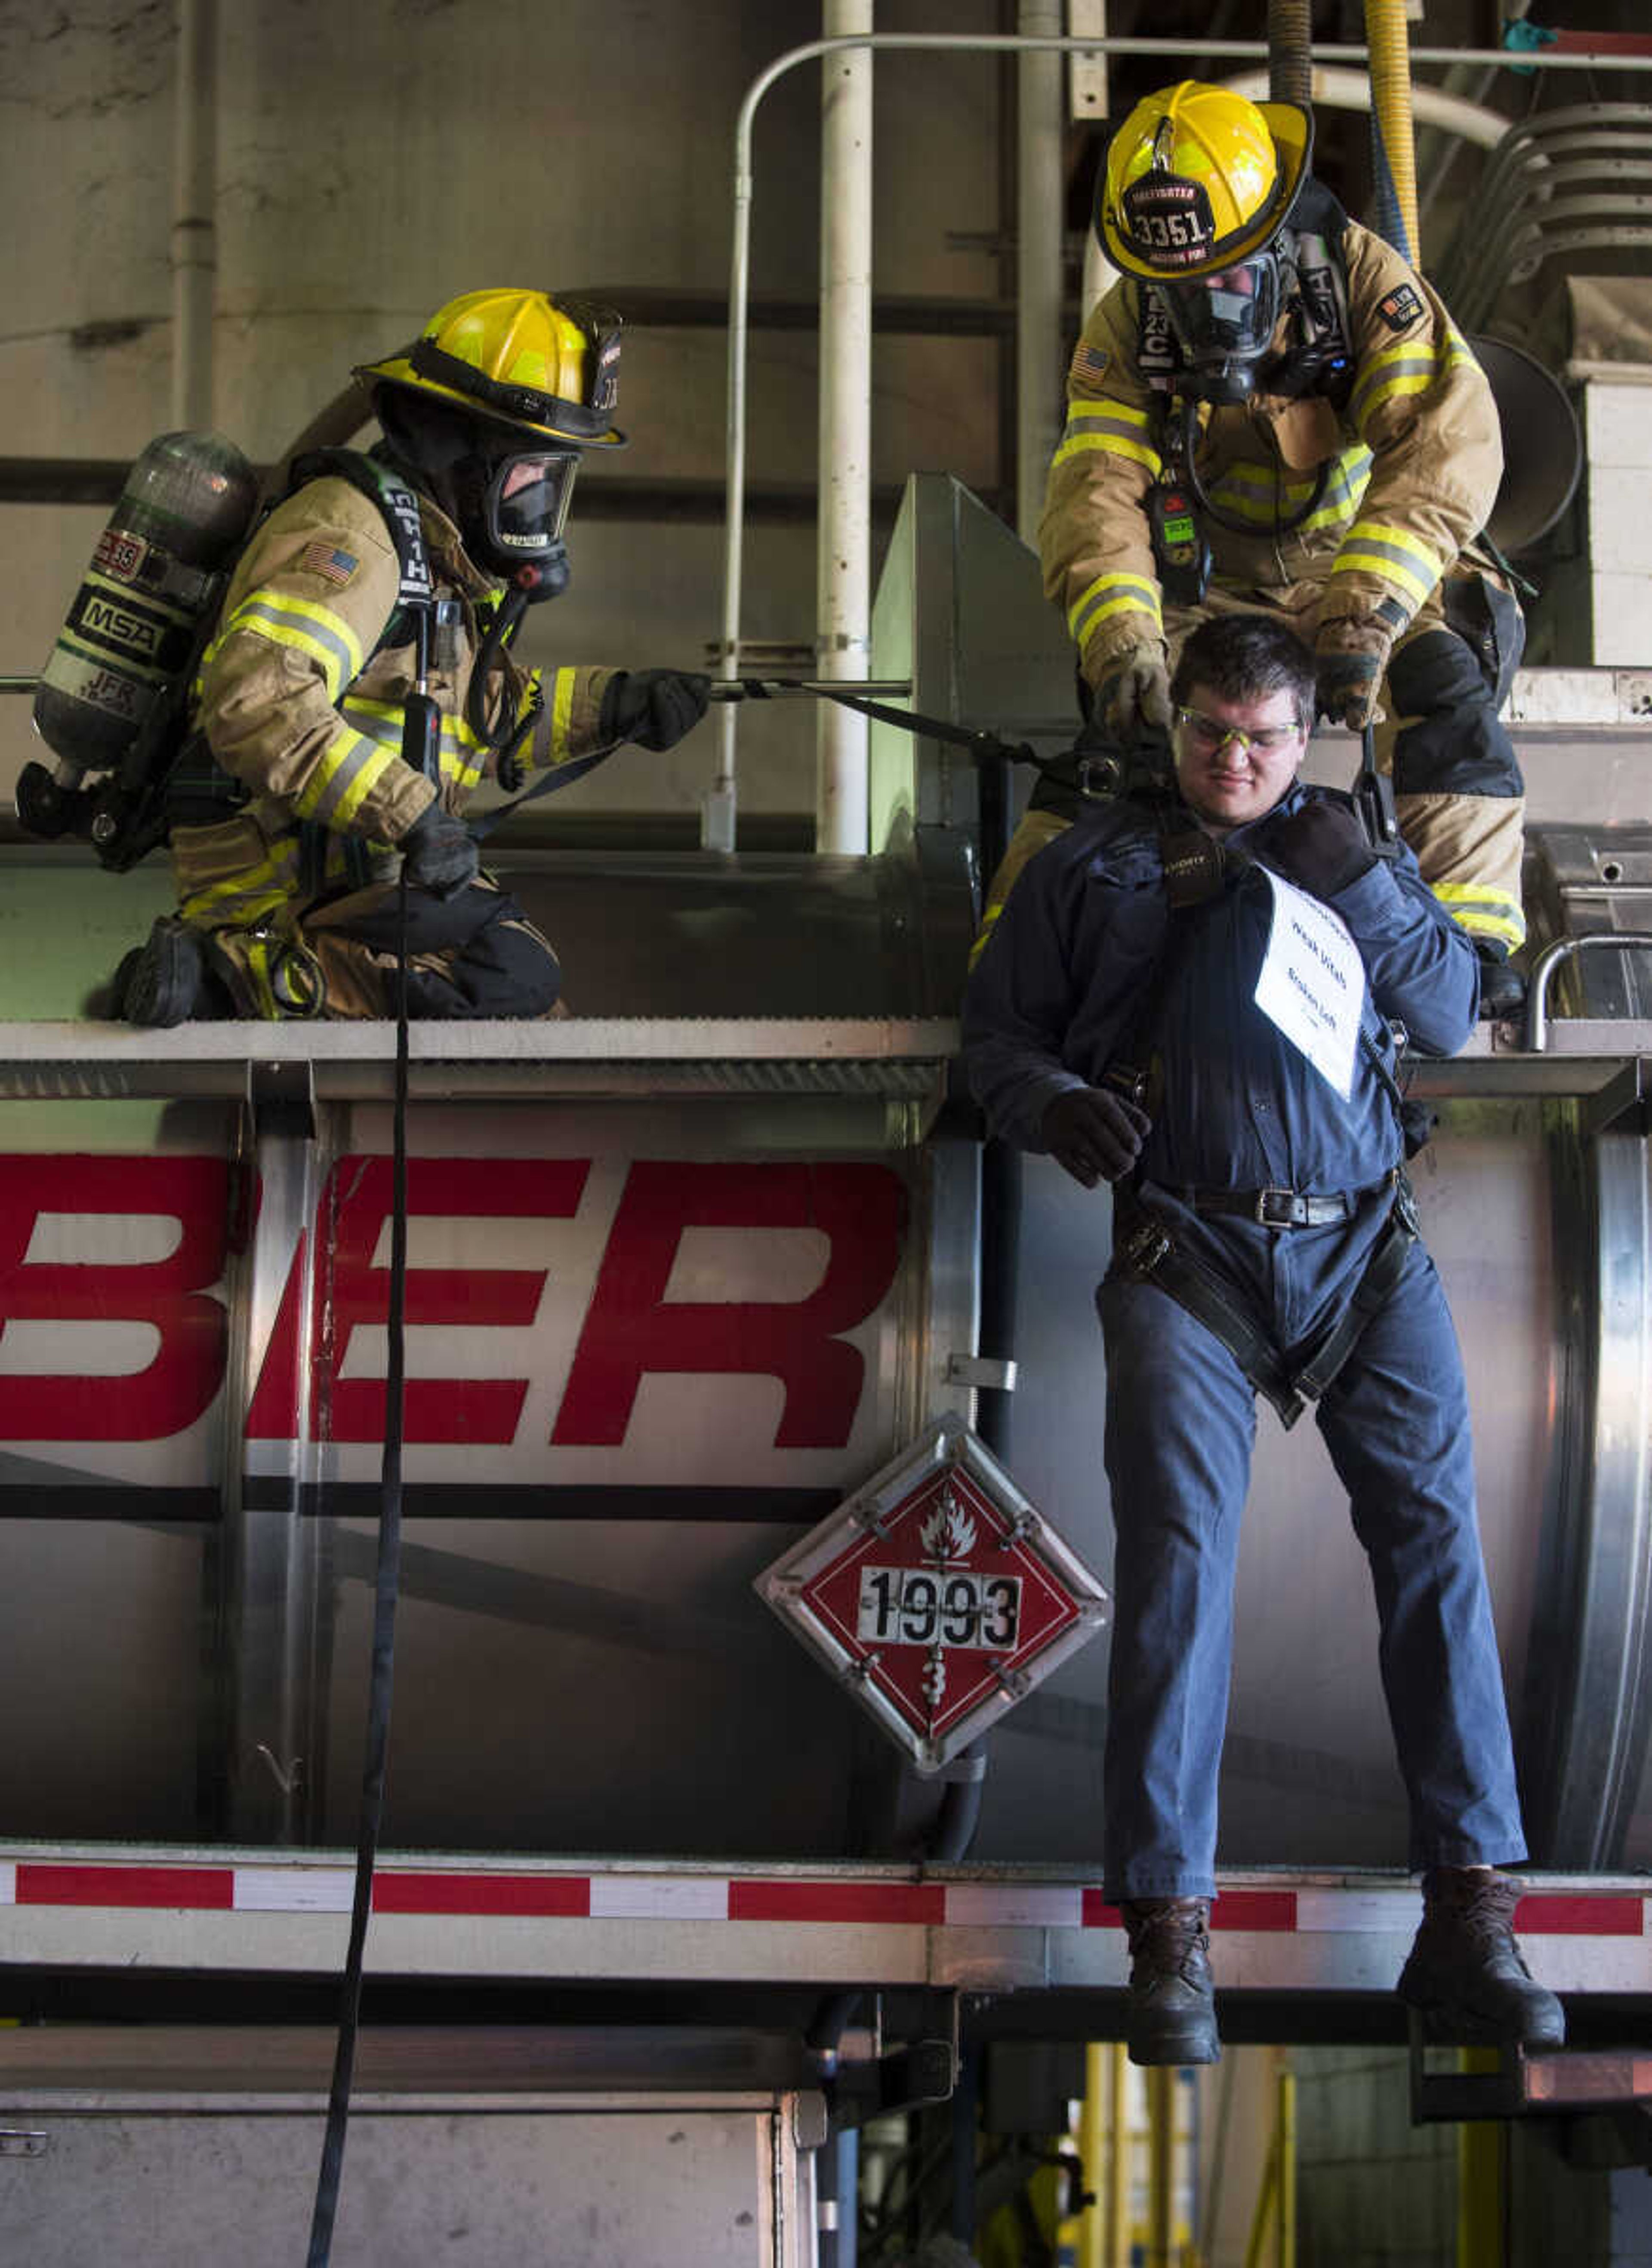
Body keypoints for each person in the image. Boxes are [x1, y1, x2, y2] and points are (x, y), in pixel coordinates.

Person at [962, 612, 1563, 2067]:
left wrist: (1365, 880)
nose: (1234, 760)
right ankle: (1169, 1938)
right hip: (1190, 1257)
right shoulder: (1092, 866)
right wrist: (1049, 1103)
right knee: (1179, 1573)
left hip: (1368, 1252)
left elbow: (1448, 1018)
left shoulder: (1357, 850)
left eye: (1264, 738)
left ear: (1310, 739)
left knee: (1438, 1558)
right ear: (1177, 729)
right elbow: (988, 1045)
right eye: (1210, 733)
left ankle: (1471, 1915)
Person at [983, 80, 1527, 1019]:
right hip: (1211, 589)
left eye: (1228, 279)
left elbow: (1445, 451)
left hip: (1364, 569)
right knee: (1123, 751)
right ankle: (1013, 965)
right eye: (1180, 291)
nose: (1206, 313)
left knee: (1445, 703)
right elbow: (1095, 493)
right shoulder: (1125, 329)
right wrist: (1125, 644)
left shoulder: (1363, 287)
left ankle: (1470, 946)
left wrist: (1368, 613)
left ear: (1275, 240)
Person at [109, 287, 711, 1023]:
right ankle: (226, 975)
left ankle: (251, 974)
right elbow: (257, 700)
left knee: (521, 980)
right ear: (453, 448)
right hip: (279, 890)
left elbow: (473, 720)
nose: (541, 503)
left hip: (356, 878)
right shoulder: (356, 540)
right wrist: (416, 817)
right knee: (498, 983)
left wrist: (613, 704)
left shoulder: (432, 556)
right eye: (530, 474)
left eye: (553, 480)